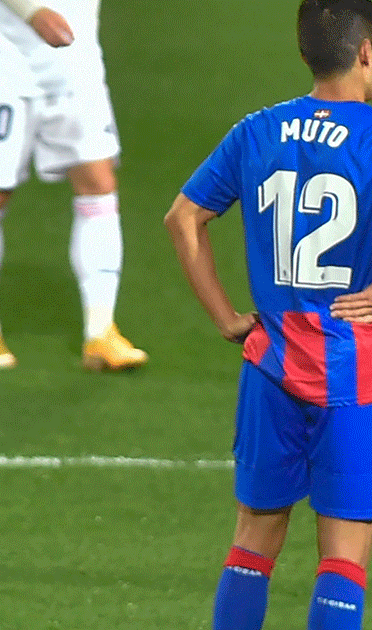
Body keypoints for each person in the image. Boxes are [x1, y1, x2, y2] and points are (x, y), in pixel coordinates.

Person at [165, 2, 372, 627]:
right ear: (366, 53)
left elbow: (183, 220)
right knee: (344, 555)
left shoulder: (256, 131)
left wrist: (229, 318)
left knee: (253, 541)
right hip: (352, 375)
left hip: (270, 367)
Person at [0, 0, 147, 370]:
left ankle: (101, 331)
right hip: (4, 67)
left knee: (99, 183)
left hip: (76, 64)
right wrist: (31, 12)